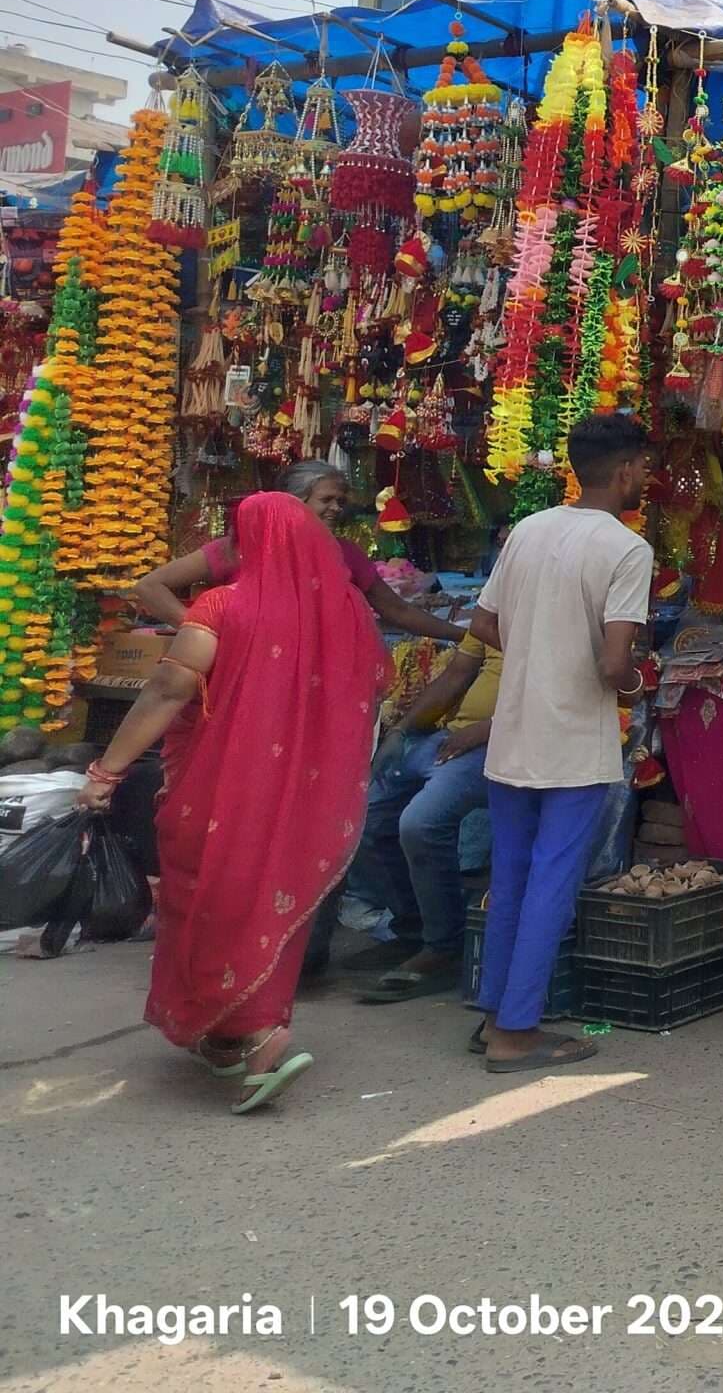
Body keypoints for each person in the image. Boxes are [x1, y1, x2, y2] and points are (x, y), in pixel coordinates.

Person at [75, 491, 388, 1114]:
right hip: (304, 789)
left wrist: (105, 771)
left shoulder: (222, 606)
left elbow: (167, 689)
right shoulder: (350, 610)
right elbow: (373, 687)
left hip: (218, 785)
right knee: (267, 895)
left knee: (212, 892)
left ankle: (257, 1037)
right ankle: (228, 1031)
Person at [468, 413, 653, 1073]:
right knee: (553, 882)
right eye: (645, 469)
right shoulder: (627, 548)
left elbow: (483, 620)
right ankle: (516, 1034)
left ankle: (495, 1012)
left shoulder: (528, 529)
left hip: (515, 733)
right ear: (627, 470)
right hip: (572, 740)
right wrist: (634, 683)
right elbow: (612, 667)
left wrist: (534, 658)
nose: (646, 480)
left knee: (512, 876)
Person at [131, 459, 468, 645]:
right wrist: (204, 634)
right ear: (293, 501)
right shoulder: (241, 548)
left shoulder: (346, 554)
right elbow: (150, 586)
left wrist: (466, 637)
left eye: (340, 501)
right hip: (245, 676)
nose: (337, 508)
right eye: (326, 500)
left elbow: (398, 611)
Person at [346, 631, 503, 1004]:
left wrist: (486, 729)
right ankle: (414, 930)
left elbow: (555, 696)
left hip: (499, 743)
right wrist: (401, 730)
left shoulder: (553, 610)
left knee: (420, 823)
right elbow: (456, 675)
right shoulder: (496, 606)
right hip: (451, 737)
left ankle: (442, 946)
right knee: (362, 817)